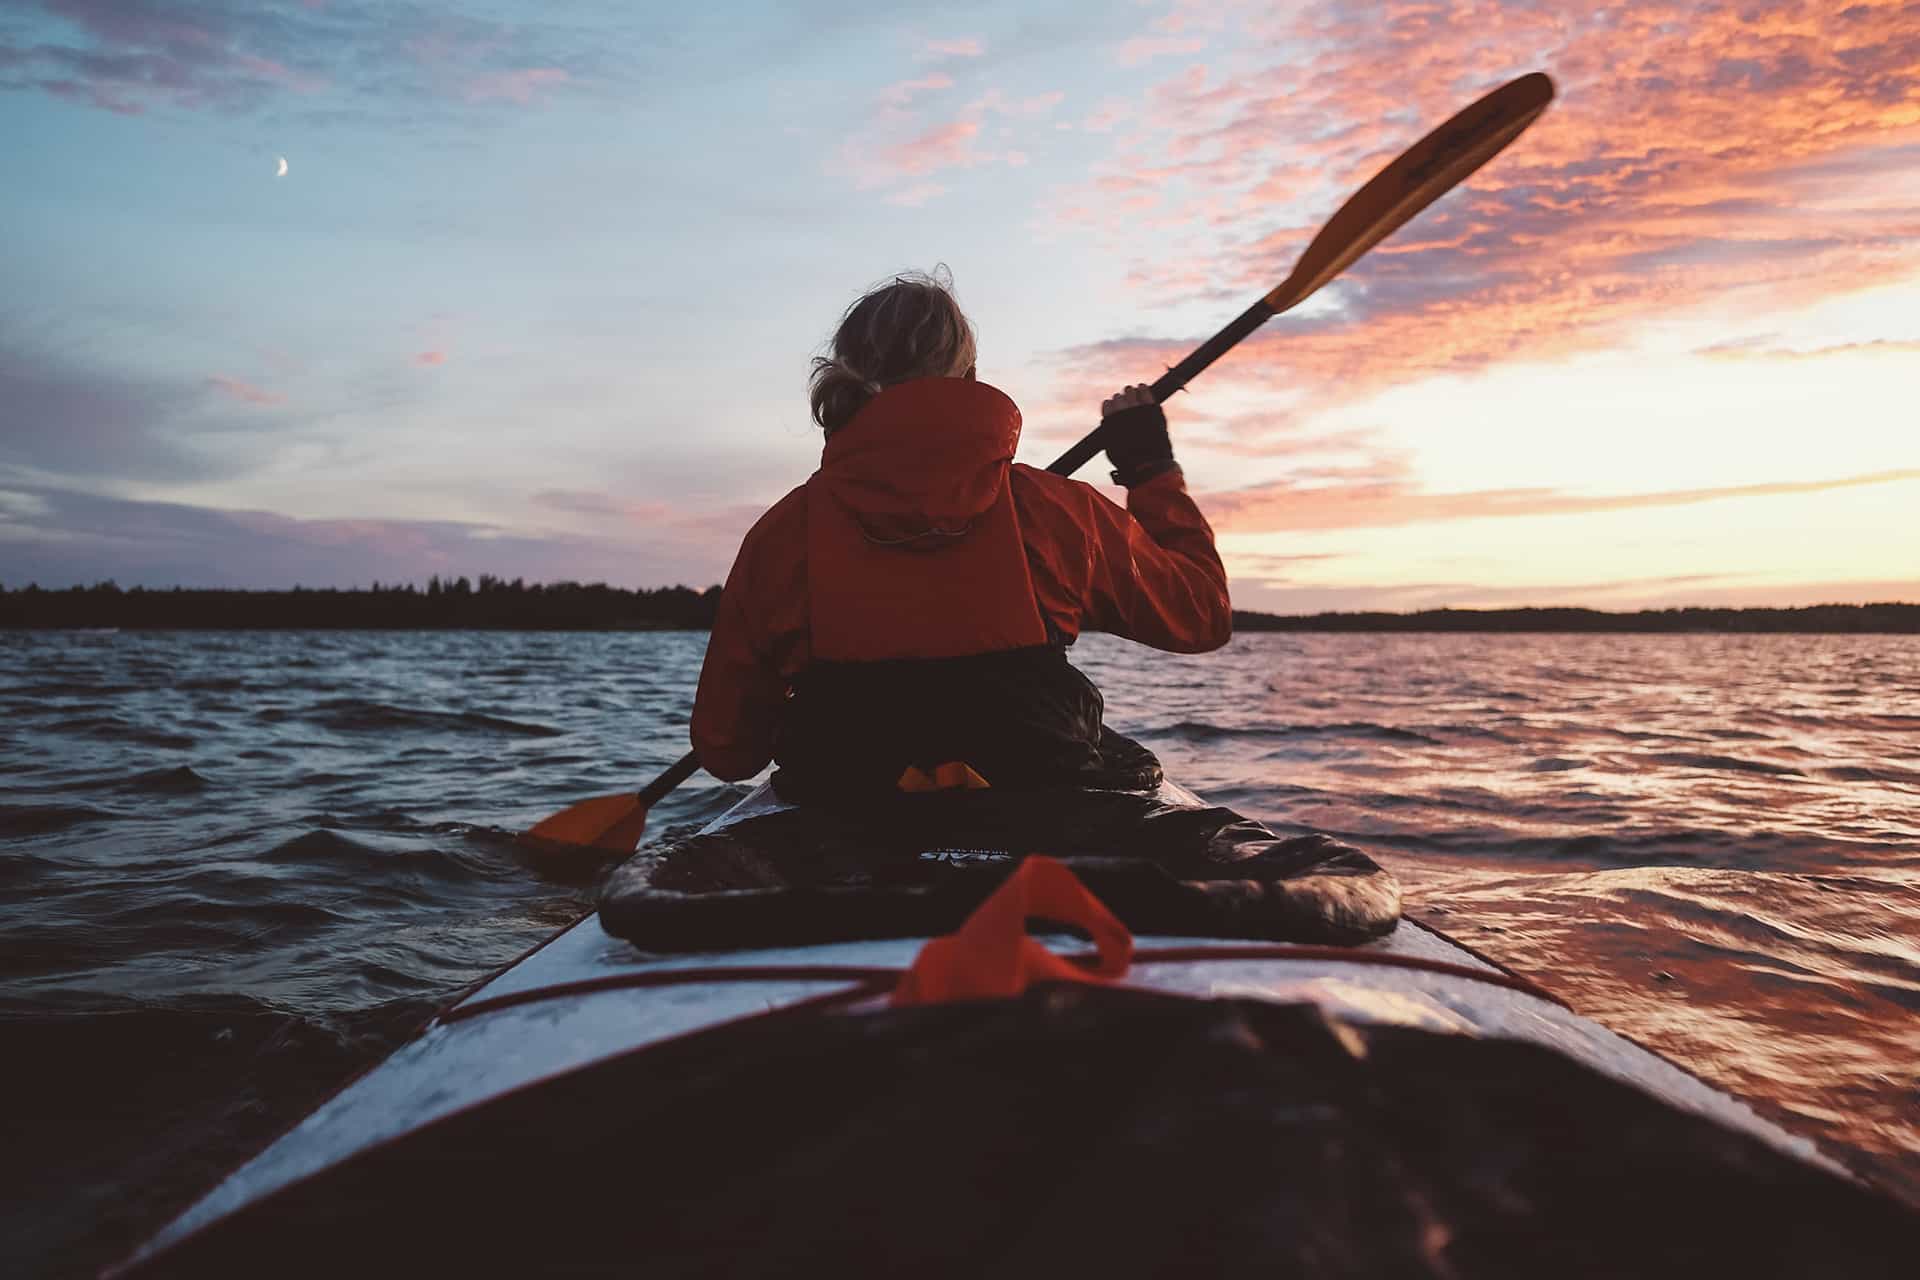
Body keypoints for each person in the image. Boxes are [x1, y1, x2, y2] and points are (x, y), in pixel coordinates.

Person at [690, 269, 1232, 801]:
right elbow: (1201, 613)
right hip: (1035, 815)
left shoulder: (781, 537)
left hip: (847, 818)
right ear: (970, 378)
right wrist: (1150, 470)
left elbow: (728, 752)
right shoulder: (1055, 512)